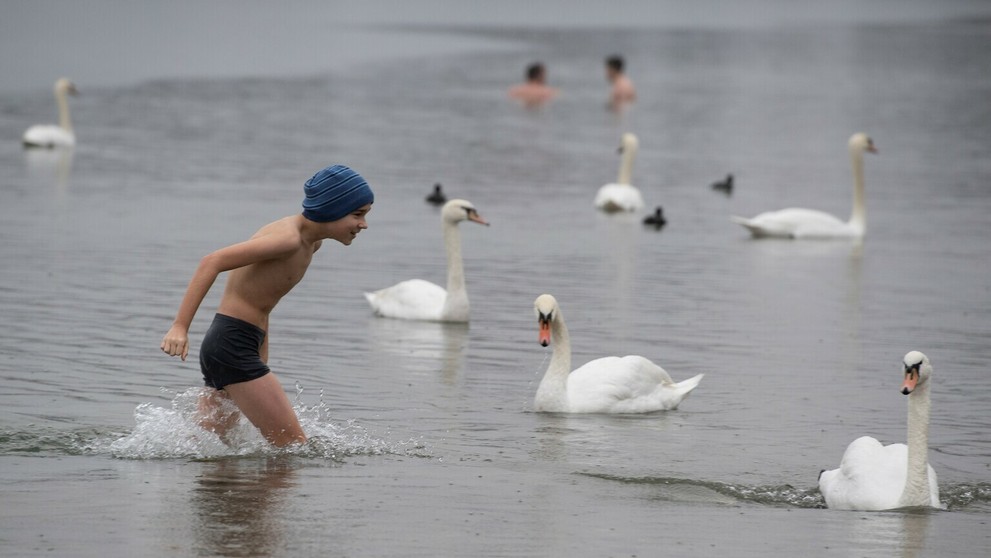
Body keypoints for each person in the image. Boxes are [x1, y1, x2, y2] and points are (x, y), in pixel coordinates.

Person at [160, 164, 373, 447]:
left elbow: (261, 302)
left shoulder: (310, 243)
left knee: (212, 448)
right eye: (357, 214)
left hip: (233, 344)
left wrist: (261, 353)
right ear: (331, 208)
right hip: (232, 346)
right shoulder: (288, 240)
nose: (364, 224)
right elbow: (212, 262)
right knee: (293, 449)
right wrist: (179, 326)